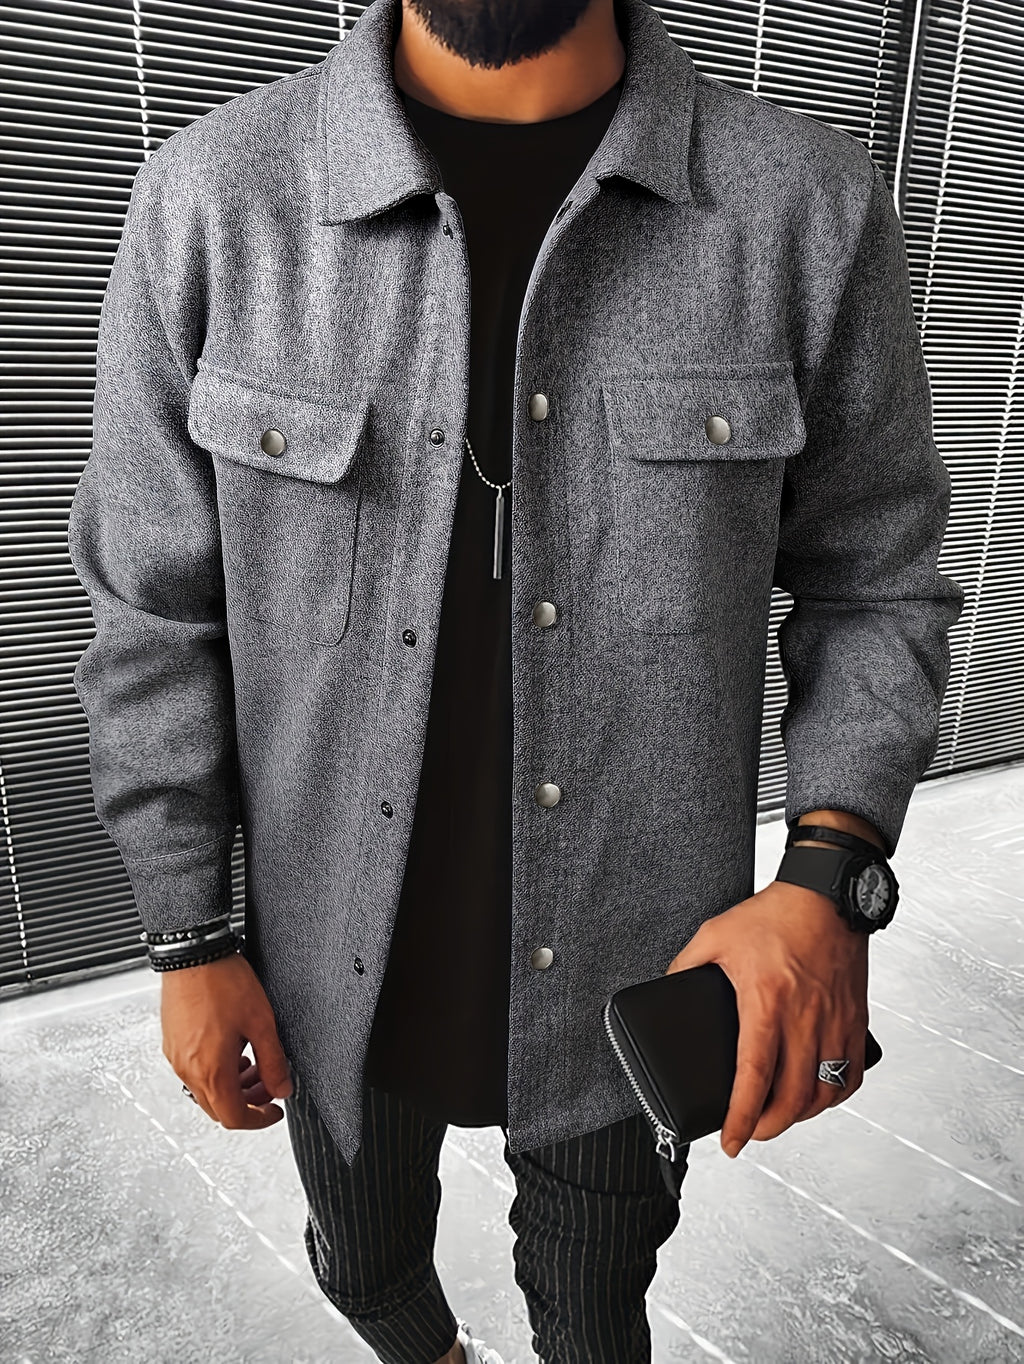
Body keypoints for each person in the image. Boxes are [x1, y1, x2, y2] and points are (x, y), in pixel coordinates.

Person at [66, 0, 964, 1359]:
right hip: (330, 976)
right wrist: (188, 935)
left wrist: (833, 874)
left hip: (634, 969)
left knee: (595, 1320)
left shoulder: (806, 209)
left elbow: (877, 576)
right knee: (364, 1270)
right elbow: (151, 609)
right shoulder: (210, 202)